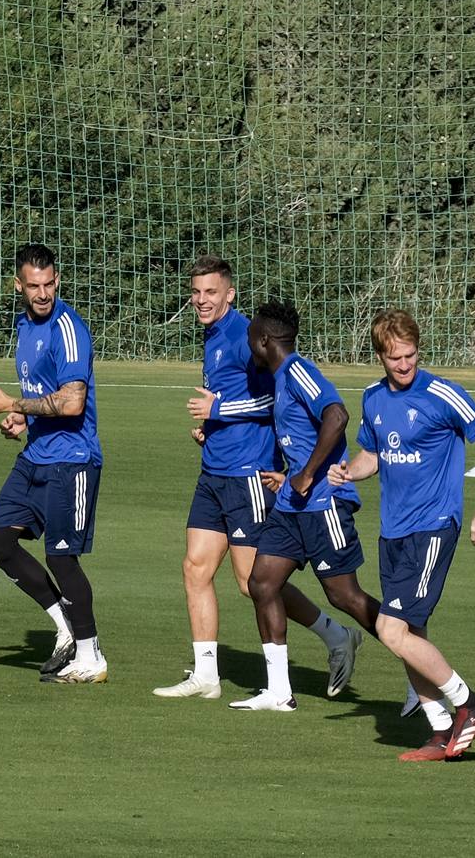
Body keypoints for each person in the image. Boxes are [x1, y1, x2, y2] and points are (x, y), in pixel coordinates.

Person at [153, 256, 361, 701]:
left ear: (229, 293)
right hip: (213, 469)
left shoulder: (249, 337)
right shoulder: (213, 335)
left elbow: (273, 403)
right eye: (196, 292)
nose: (201, 300)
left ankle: (335, 635)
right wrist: (210, 427)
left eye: (211, 292)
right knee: (195, 567)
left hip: (248, 473)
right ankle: (206, 675)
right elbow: (231, 399)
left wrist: (219, 412)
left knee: (253, 582)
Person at [328, 309, 475, 761]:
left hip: (433, 527)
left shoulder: (442, 393)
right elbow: (373, 455)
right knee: (412, 633)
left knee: (391, 629)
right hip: (392, 533)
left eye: (410, 356)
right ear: (380, 357)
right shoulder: (373, 398)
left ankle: (469, 703)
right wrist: (347, 471)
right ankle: (440, 730)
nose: (404, 365)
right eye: (395, 359)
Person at [229, 300, 383, 712]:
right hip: (292, 505)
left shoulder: (297, 370)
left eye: (250, 340)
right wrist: (291, 476)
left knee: (345, 596)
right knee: (261, 583)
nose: (249, 349)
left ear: (264, 341)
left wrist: (308, 473)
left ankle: (418, 669)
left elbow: (336, 415)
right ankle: (279, 691)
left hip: (324, 503)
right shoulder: (281, 378)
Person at [0, 245, 107, 683]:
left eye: (49, 284)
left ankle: (91, 656)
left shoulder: (69, 328)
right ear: (19, 286)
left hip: (72, 462)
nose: (43, 293)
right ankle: (64, 625)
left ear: (58, 280)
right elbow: (43, 390)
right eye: (34, 286)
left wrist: (10, 402)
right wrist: (22, 416)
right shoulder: (24, 324)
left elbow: (72, 402)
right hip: (35, 457)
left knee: (63, 560)